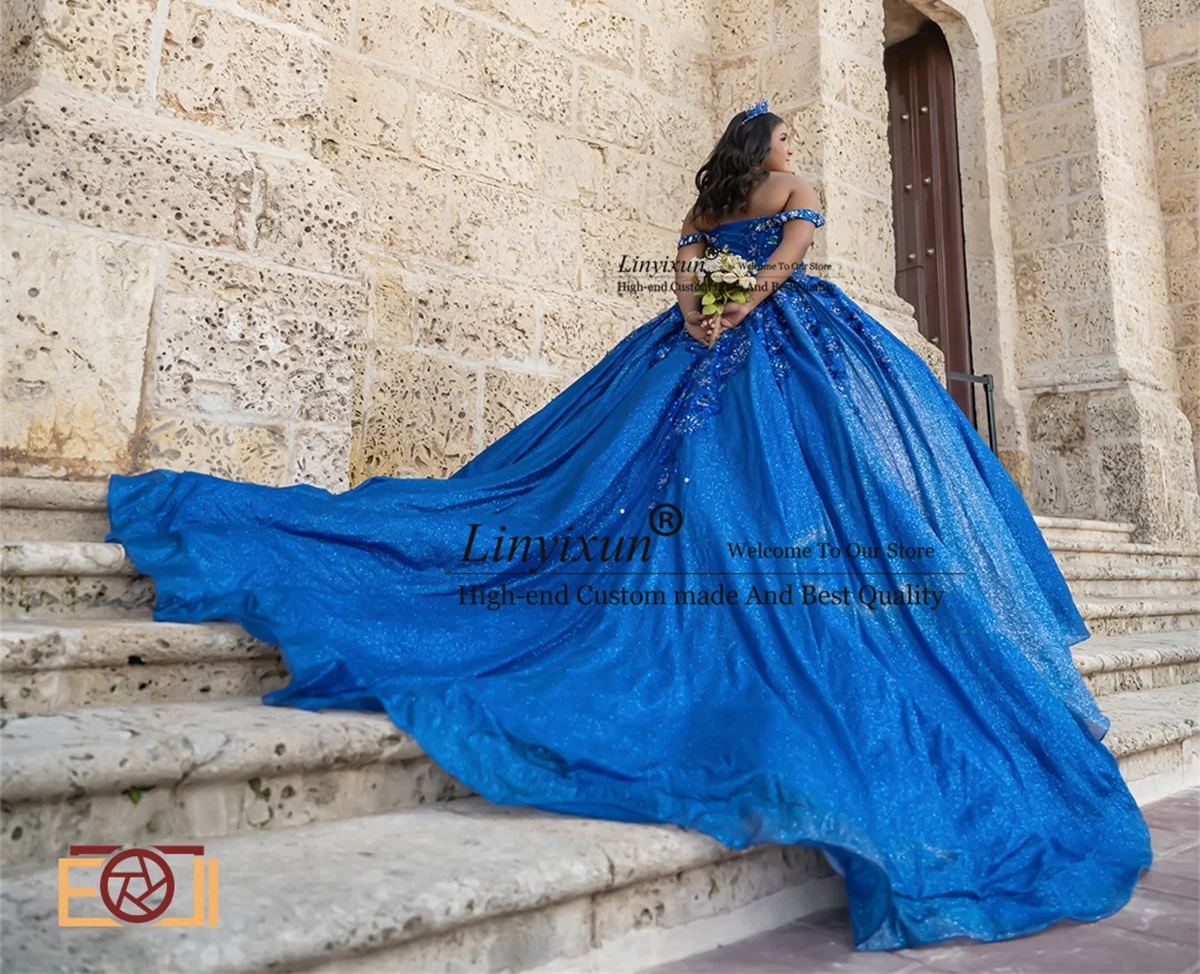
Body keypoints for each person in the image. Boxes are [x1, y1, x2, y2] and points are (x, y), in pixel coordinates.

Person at [107, 99, 1152, 952]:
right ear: (768, 150)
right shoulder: (792, 193)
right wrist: (736, 312)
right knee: (805, 495)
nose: (794, 150)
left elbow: (703, 286)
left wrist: (707, 318)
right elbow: (784, 263)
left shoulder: (704, 211)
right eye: (786, 137)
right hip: (785, 344)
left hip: (698, 341)